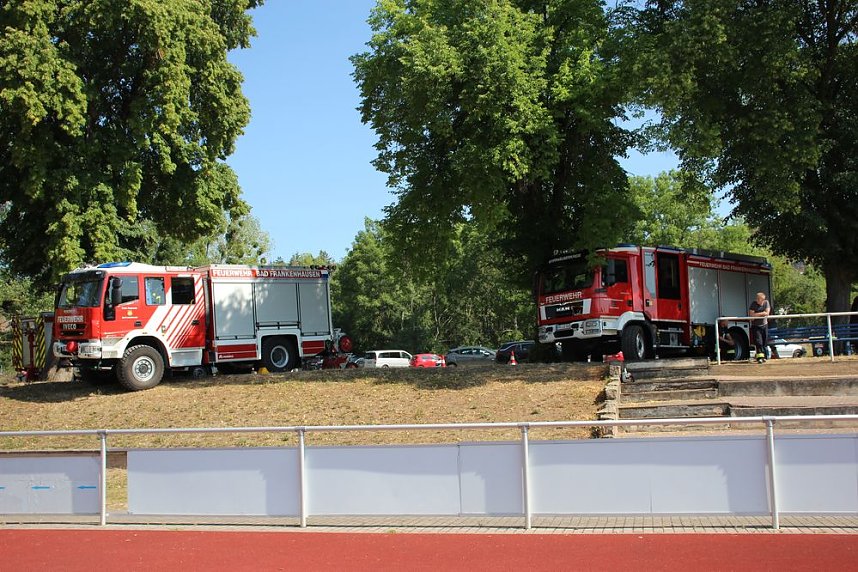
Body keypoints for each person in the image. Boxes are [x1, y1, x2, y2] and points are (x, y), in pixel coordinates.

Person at [748, 292, 771, 362]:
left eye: (759, 299)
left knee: (764, 342)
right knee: (758, 342)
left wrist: (757, 314)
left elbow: (767, 313)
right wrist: (762, 313)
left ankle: (764, 356)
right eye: (757, 299)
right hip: (756, 326)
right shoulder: (753, 304)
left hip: (764, 325)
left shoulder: (766, 303)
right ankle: (760, 358)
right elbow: (752, 315)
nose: (757, 300)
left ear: (763, 300)